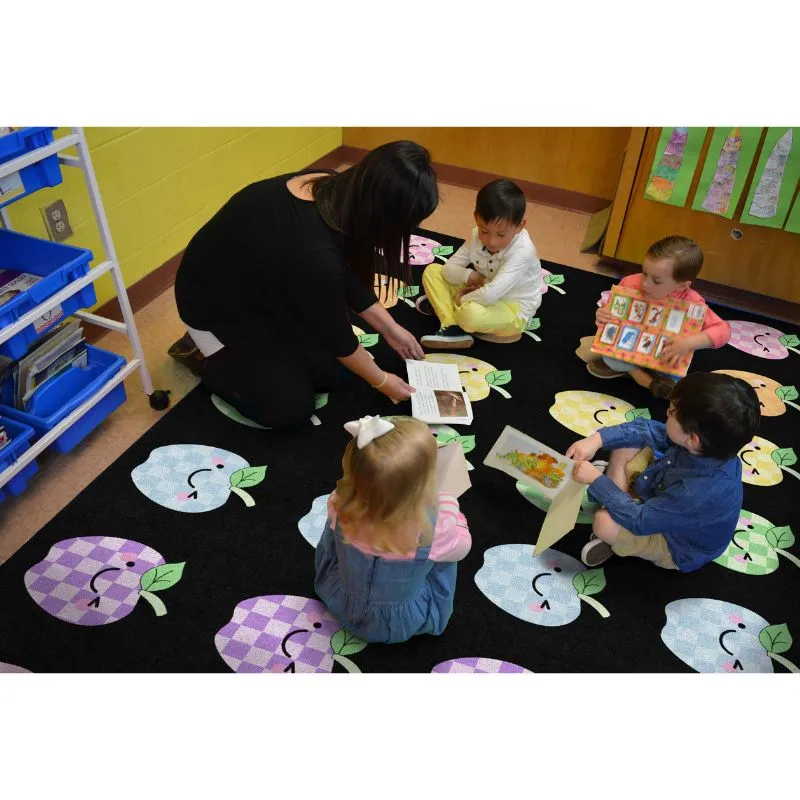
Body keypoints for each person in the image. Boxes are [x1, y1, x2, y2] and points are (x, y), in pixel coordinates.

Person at [171, 141, 439, 429]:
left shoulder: (332, 188)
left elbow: (344, 271)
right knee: (289, 408)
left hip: (267, 288)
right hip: (214, 310)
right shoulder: (311, 251)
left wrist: (390, 328)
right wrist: (383, 382)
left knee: (338, 374)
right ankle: (204, 356)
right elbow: (339, 337)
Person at [566, 372, 760, 572]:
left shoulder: (696, 492)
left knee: (603, 522)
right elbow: (647, 430)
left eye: (672, 412)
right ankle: (616, 501)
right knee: (627, 443)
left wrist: (597, 481)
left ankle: (614, 528)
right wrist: (596, 439)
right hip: (663, 496)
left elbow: (640, 520)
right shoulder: (708, 447)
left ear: (693, 440)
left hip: (676, 543)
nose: (666, 413)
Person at [314, 415, 472, 644]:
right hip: (399, 621)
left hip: (341, 600)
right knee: (446, 556)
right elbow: (462, 548)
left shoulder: (338, 503)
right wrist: (449, 503)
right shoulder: (435, 527)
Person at [576, 235, 731, 398]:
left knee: (677, 376)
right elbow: (611, 313)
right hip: (629, 346)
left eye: (656, 281)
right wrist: (602, 315)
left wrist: (688, 343)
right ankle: (641, 377)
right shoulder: (630, 283)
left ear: (681, 285)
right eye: (644, 273)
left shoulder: (692, 302)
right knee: (607, 353)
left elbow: (724, 331)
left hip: (664, 355)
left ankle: (636, 373)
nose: (645, 284)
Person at [417, 179, 542, 349]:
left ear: (520, 226)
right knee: (433, 271)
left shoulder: (523, 251)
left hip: (512, 308)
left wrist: (462, 299)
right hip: (483, 289)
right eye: (484, 231)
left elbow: (489, 296)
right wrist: (470, 276)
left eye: (501, 234)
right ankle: (453, 326)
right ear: (476, 217)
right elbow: (449, 269)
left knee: (469, 315)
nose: (491, 241)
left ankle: (448, 311)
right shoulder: (476, 235)